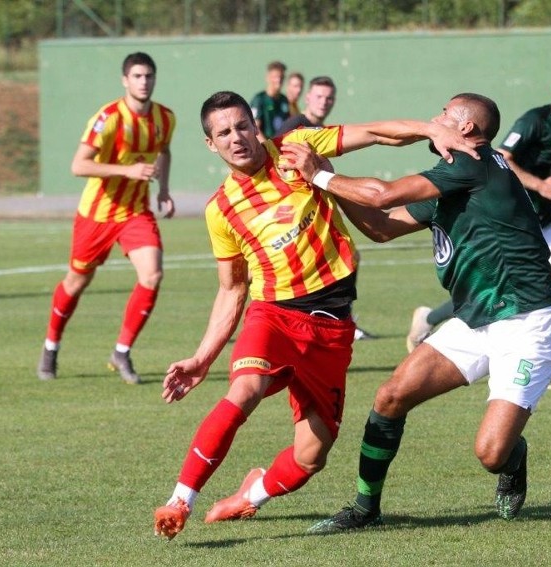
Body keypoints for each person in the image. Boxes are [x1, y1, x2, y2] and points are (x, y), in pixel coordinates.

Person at [152, 90, 476, 541]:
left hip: (333, 325)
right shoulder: (220, 210)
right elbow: (233, 289)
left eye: (241, 125)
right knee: (244, 390)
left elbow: (375, 133)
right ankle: (179, 499)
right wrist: (202, 358)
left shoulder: (297, 148)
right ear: (211, 144)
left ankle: (251, 495)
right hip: (275, 316)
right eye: (223, 133)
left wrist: (430, 128)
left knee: (311, 457)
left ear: (255, 125)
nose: (235, 137)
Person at [280, 92, 551, 533]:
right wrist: (332, 180)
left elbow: (381, 195)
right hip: (477, 319)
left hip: (528, 321)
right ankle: (365, 509)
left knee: (491, 454)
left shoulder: (469, 164)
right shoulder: (450, 180)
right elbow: (380, 226)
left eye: (445, 116)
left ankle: (514, 455)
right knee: (390, 396)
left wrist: (319, 175)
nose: (435, 121)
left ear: (467, 130)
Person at [406, 64, 551, 352]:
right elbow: (503, 158)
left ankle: (525, 361)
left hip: (543, 221)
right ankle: (432, 320)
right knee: (491, 294)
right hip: (512, 223)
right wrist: (539, 185)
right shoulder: (536, 121)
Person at [36, 51, 175, 384]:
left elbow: (165, 151)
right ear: (125, 80)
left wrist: (164, 191)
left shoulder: (165, 118)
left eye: (149, 76)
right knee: (77, 282)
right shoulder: (110, 117)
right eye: (137, 76)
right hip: (97, 214)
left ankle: (122, 352)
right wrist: (127, 171)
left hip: (136, 213)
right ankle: (51, 347)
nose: (144, 82)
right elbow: (78, 165)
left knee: (152, 274)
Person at [274, 76, 375, 341]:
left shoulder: (319, 129)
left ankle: (341, 319)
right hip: (296, 213)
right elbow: (277, 167)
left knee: (348, 255)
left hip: (318, 206)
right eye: (319, 96)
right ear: (307, 98)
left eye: (329, 97)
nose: (324, 102)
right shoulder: (295, 127)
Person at [249, 60, 290, 140]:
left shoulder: (284, 100)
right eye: (275, 77)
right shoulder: (259, 99)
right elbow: (255, 129)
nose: (279, 80)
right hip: (265, 147)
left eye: (281, 77)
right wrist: (268, 148)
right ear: (268, 78)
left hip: (281, 146)